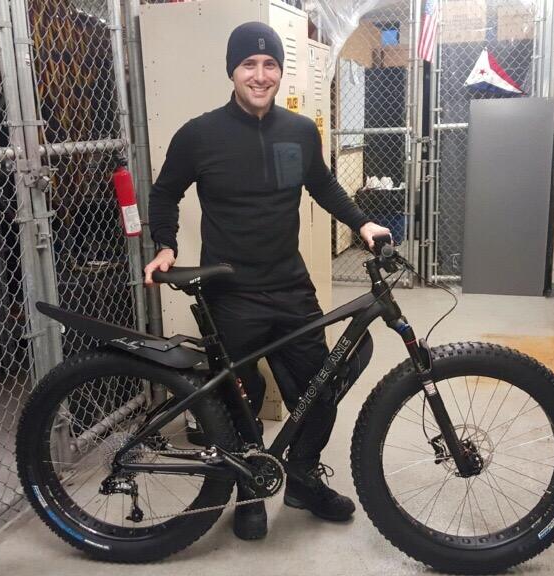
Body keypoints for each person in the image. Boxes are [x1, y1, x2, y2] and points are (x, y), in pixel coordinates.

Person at [144, 21, 390, 541]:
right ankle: (250, 492)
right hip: (230, 292)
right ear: (233, 70)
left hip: (290, 285)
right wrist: (164, 242)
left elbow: (322, 185)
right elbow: (164, 193)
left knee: (317, 390)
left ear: (280, 71)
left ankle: (301, 479)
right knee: (244, 393)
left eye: (270, 65)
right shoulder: (199, 134)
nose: (260, 75)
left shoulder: (300, 131)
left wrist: (361, 222)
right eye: (249, 65)